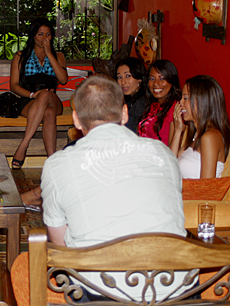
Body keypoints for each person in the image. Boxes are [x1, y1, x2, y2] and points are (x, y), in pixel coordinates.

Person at [41, 75, 192, 302]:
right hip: (177, 290)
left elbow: (60, 244)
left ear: (76, 120)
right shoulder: (164, 154)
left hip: (100, 292)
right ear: (124, 113)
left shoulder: (57, 164)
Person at [10, 18, 68, 169]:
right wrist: (32, 95)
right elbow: (14, 86)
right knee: (48, 112)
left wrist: (49, 53)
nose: (44, 38)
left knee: (46, 97)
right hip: (28, 100)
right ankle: (52, 160)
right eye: (40, 34)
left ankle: (23, 145)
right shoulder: (21, 56)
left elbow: (62, 80)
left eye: (48, 34)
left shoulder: (58, 56)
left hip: (53, 99)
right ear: (33, 35)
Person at [170, 75, 230, 178]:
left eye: (185, 98)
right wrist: (178, 130)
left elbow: (205, 188)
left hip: (191, 194)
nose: (181, 103)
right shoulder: (194, 132)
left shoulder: (210, 137)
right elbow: (170, 166)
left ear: (202, 101)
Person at [137, 59, 181, 146]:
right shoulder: (153, 106)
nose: (156, 83)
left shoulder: (175, 108)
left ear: (172, 81)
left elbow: (173, 151)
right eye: (152, 79)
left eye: (162, 79)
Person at [115, 57, 148, 133]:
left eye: (128, 76)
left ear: (139, 78)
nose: (123, 82)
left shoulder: (143, 104)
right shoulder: (129, 101)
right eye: (119, 77)